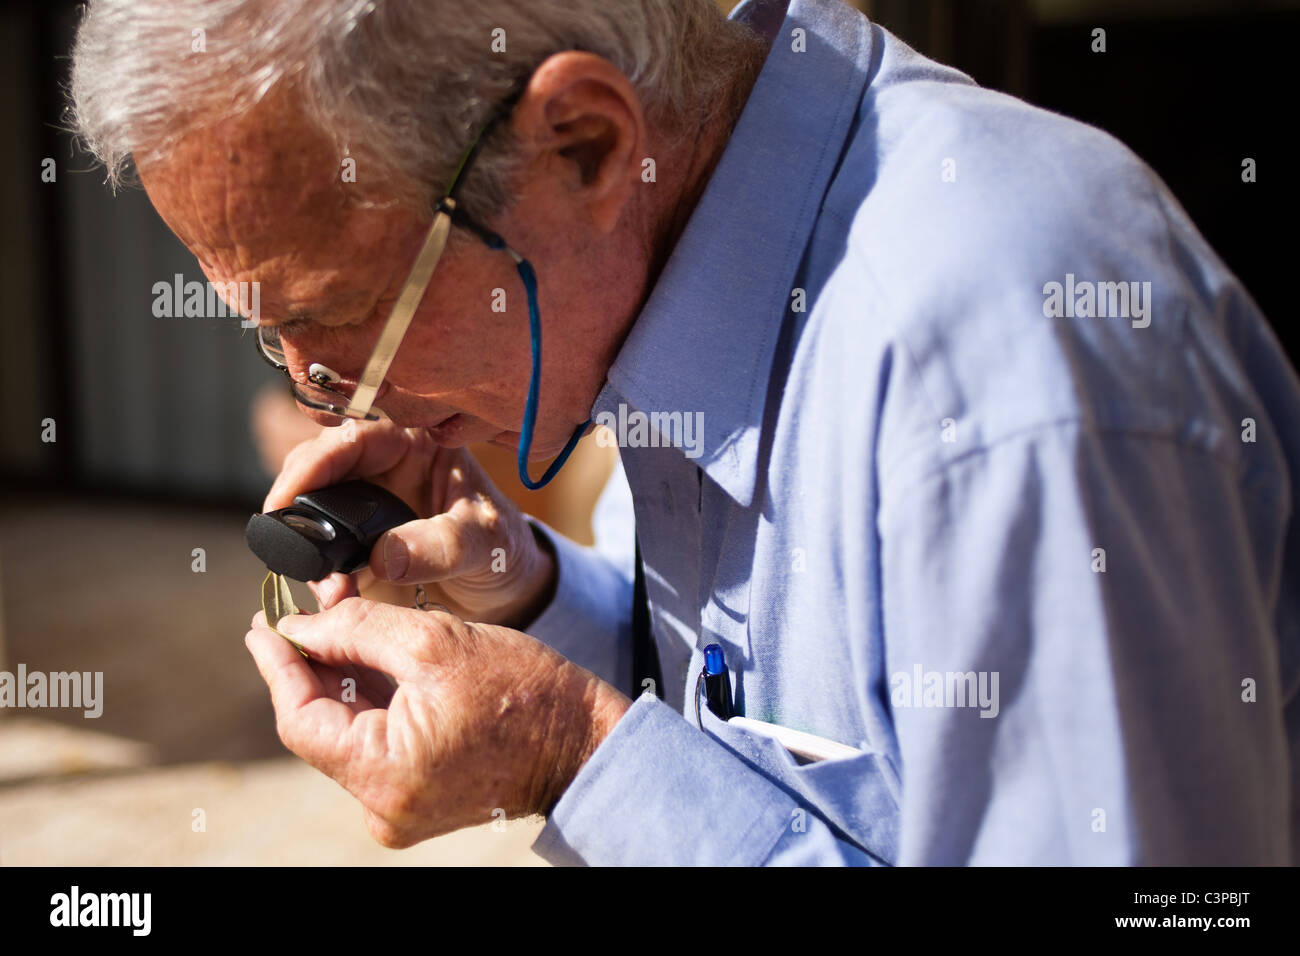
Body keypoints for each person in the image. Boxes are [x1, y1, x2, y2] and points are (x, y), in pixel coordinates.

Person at [69, 0, 1299, 864]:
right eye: (271, 340)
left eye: (335, 319)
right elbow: (754, 706)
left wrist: (568, 753)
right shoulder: (687, 246)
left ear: (583, 144)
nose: (324, 395)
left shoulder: (999, 377)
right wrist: (522, 592)